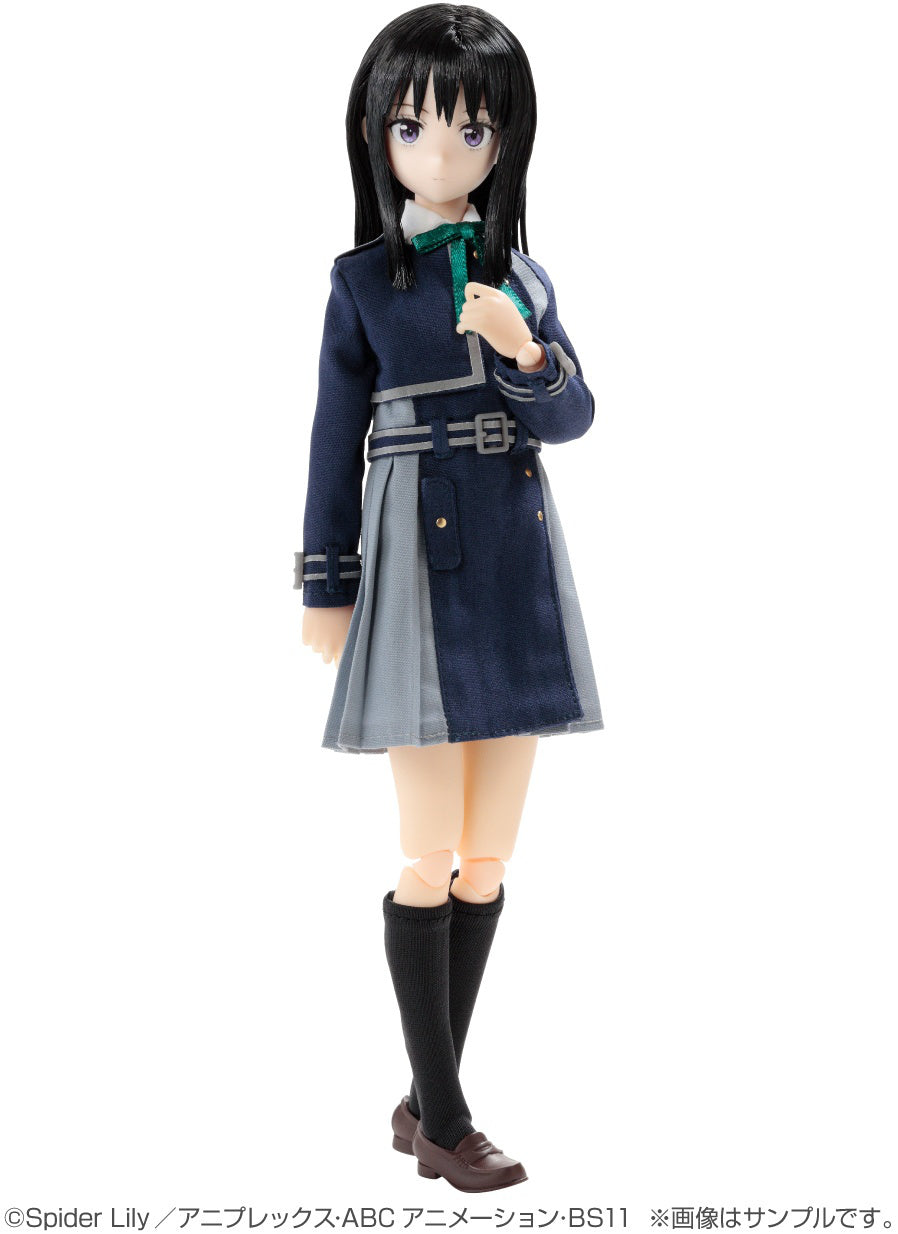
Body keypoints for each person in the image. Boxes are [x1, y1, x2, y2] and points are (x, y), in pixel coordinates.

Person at [295, 2, 603, 1192]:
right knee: (427, 849)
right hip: (414, 554)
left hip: (515, 558)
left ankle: (423, 1100)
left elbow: (574, 418)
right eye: (414, 127)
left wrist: (525, 351)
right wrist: (329, 580)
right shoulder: (362, 282)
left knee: (488, 857)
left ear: (503, 140)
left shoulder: (525, 274)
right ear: (377, 134)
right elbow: (332, 440)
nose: (440, 152)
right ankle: (448, 1118)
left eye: (471, 130)